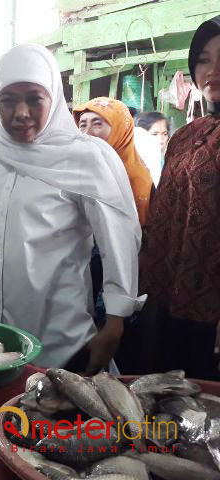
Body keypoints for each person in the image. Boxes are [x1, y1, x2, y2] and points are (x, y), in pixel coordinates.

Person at [0, 44, 144, 371]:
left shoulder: (85, 157)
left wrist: (115, 324)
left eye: (34, 98)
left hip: (60, 343)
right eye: (8, 100)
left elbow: (118, 241)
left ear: (53, 97)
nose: (21, 112)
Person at [137, 15, 220, 380]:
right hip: (166, 302)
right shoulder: (186, 135)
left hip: (212, 315)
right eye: (203, 59)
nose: (213, 69)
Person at [74, 98, 154, 225]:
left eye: (97, 124)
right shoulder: (75, 171)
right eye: (82, 125)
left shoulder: (136, 180)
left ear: (119, 130)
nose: (87, 133)